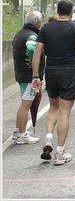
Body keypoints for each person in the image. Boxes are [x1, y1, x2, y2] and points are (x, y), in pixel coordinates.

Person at [31, 0, 75, 166]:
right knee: (64, 112)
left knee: (53, 107)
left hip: (51, 72)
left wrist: (36, 76)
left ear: (57, 11)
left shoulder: (46, 27)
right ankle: (60, 153)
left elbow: (37, 51)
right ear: (72, 12)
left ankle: (48, 139)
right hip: (69, 72)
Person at [12, 11, 45, 144]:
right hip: (28, 75)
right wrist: (34, 62)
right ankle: (22, 135)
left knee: (23, 104)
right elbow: (31, 49)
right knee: (26, 105)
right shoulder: (32, 35)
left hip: (21, 73)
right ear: (37, 23)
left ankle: (18, 131)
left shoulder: (20, 32)